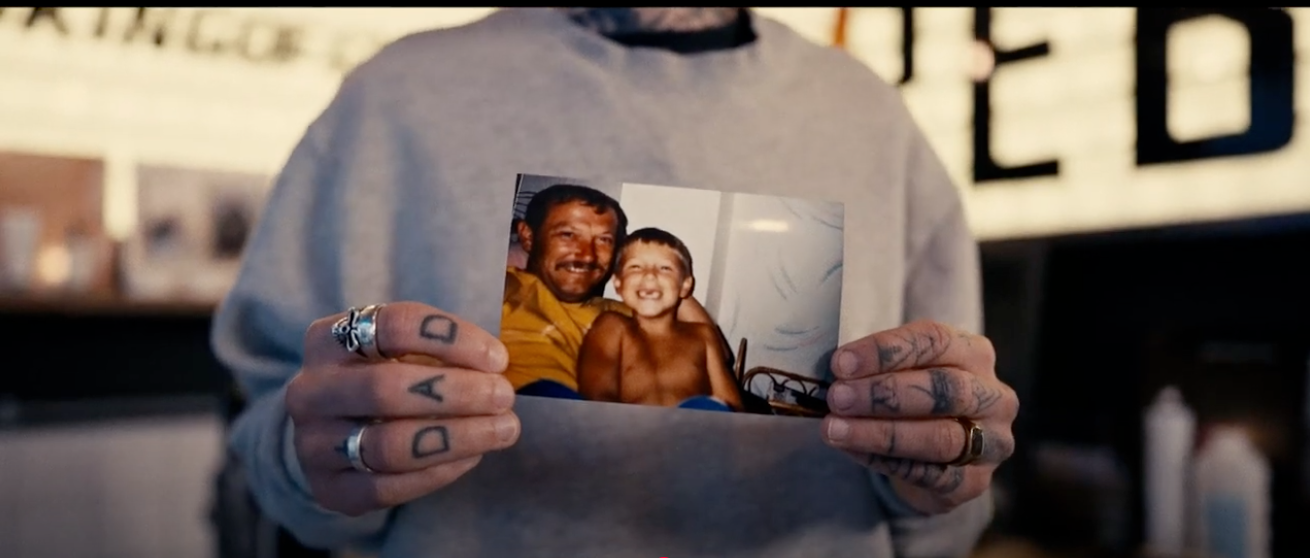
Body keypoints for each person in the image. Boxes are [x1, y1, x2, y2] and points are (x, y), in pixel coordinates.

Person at [211, 7, 1021, 558]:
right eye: (627, 267)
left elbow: (952, 494)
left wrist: (950, 473)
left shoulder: (871, 115)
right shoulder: (393, 101)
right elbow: (267, 444)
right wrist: (306, 454)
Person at [500, 183, 720, 398]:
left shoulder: (624, 315)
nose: (587, 254)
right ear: (528, 237)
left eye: (604, 240)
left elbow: (712, 351)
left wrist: (660, 269)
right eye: (568, 234)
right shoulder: (508, 285)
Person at [576, 227, 743, 411]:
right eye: (636, 267)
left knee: (706, 408)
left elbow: (733, 407)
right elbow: (597, 397)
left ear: (685, 286)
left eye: (665, 268)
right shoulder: (612, 326)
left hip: (693, 430)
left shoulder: (703, 336)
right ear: (618, 284)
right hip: (629, 432)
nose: (649, 274)